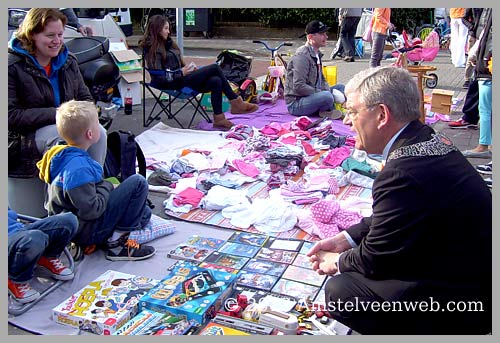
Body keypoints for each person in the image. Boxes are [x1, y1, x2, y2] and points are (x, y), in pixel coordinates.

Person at [307, 66, 491, 334]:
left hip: (465, 297)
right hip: (470, 268)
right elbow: (398, 214)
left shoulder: (401, 171)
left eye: (353, 112)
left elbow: (376, 257)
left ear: (382, 115)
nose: (347, 122)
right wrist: (345, 239)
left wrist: (335, 261)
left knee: (341, 291)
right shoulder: (428, 137)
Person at [36, 100, 156, 261]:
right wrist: (108, 185)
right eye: (97, 123)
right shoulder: (78, 169)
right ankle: (116, 244)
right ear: (90, 134)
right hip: (83, 229)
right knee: (138, 182)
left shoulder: (60, 153)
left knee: (144, 212)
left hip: (75, 221)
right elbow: (92, 210)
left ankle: (109, 236)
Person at [8, 8, 107, 179]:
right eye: (50, 35)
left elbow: (85, 98)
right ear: (32, 35)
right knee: (62, 138)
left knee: (98, 133)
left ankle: (93, 186)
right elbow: (11, 116)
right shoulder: (11, 67)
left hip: (66, 122)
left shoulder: (68, 61)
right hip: (24, 136)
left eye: (60, 35)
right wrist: (60, 114)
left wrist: (87, 117)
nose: (57, 41)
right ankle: (61, 198)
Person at [140, 15, 258, 130]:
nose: (169, 32)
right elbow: (159, 77)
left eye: (168, 28)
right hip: (171, 83)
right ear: (157, 29)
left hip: (181, 79)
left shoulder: (169, 45)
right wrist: (181, 73)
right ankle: (236, 102)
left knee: (215, 81)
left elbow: (178, 66)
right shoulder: (153, 49)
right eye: (165, 28)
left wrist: (188, 69)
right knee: (215, 68)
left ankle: (219, 119)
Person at [8, 207, 78, 303]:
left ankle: (47, 257)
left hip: (19, 229)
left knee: (69, 220)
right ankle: (15, 280)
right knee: (35, 238)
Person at [284, 20, 342, 120]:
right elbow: (298, 86)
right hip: (297, 103)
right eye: (321, 34)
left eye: (325, 33)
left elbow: (322, 79)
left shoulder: (317, 54)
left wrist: (326, 90)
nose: (326, 37)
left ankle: (326, 109)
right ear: (310, 37)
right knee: (327, 97)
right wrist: (321, 93)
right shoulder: (302, 56)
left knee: (341, 87)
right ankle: (326, 110)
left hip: (313, 95)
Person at [461, 8, 492, 161]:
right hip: (485, 61)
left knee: (486, 109)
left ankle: (484, 146)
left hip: (488, 67)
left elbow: (488, 38)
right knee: (487, 109)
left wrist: (484, 59)